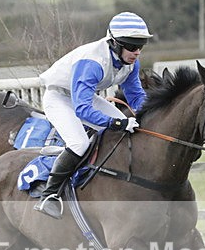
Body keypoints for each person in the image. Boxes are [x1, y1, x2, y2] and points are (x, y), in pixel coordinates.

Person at [34, 12, 152, 219]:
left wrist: (150, 117)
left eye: (140, 47)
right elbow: (82, 110)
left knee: (128, 133)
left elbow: (136, 96)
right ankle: (50, 194)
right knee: (79, 144)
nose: (137, 53)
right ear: (115, 43)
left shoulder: (132, 62)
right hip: (59, 98)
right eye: (132, 47)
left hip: (85, 98)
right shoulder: (93, 61)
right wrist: (115, 122)